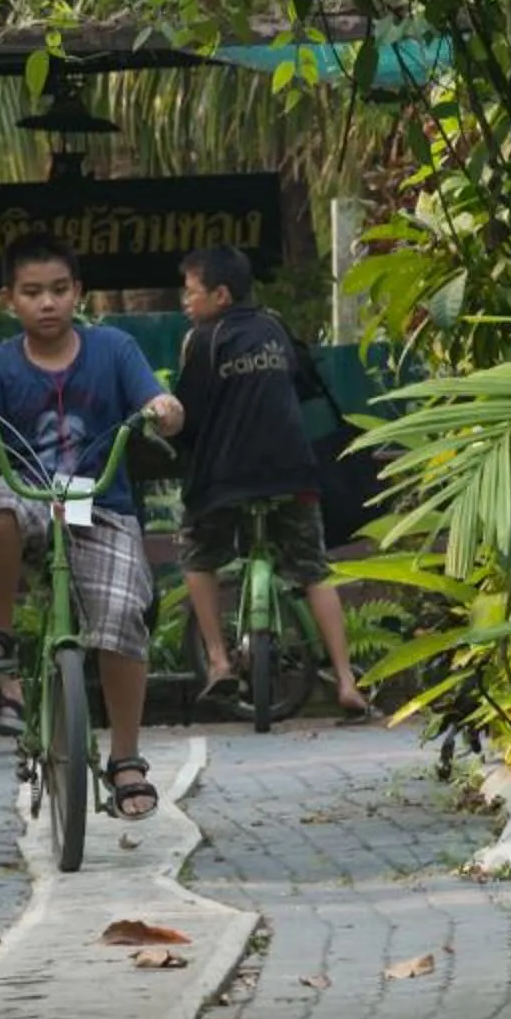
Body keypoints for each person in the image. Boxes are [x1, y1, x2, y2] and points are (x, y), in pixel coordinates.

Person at [0, 234, 184, 820]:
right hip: (30, 495)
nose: (48, 303)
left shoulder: (114, 349)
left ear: (78, 292)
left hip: (99, 505)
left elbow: (159, 403)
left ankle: (127, 759)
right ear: (10, 299)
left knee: (119, 618)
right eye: (32, 292)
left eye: (59, 290)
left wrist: (165, 410)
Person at [174, 246, 372, 718]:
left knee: (199, 557)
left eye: (191, 292)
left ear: (220, 295)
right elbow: (304, 385)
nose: (185, 302)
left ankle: (220, 662)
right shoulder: (275, 329)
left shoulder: (203, 340)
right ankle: (346, 679)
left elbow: (187, 417)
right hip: (292, 473)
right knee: (313, 571)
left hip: (225, 480)